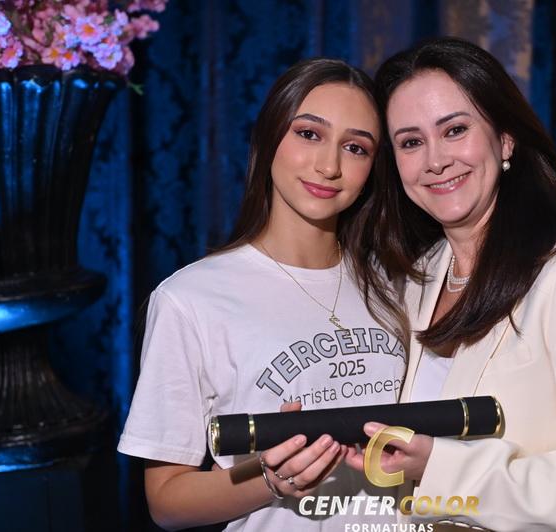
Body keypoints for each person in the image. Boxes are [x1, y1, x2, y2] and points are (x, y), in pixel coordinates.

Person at [348, 37, 556, 531]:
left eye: (455, 130)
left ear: (505, 139)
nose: (435, 160)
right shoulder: (415, 279)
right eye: (411, 142)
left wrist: (442, 469)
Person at [118, 58, 406, 531]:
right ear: (269, 137)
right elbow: (166, 502)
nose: (329, 166)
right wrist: (271, 480)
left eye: (355, 147)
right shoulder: (190, 298)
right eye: (308, 134)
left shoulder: (398, 284)